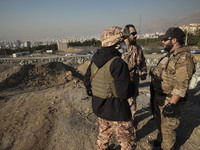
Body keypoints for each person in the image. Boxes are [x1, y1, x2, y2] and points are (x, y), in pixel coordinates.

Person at [84, 26, 136, 150]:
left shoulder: (95, 59)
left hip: (100, 107)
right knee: (128, 143)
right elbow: (123, 93)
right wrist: (132, 86)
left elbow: (87, 81)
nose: (124, 43)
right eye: (122, 40)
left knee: (103, 135)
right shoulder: (118, 63)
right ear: (116, 43)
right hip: (117, 110)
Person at [149, 27, 196, 150]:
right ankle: (160, 142)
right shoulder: (171, 56)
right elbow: (164, 72)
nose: (163, 42)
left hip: (169, 99)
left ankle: (167, 147)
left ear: (174, 40)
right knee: (160, 125)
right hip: (160, 96)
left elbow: (182, 85)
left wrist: (171, 105)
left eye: (165, 39)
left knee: (168, 129)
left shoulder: (184, 58)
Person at [122, 24, 147, 119]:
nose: (136, 35)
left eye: (136, 33)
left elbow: (143, 63)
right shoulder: (120, 48)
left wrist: (144, 71)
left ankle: (131, 124)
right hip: (122, 85)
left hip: (134, 84)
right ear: (126, 34)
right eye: (133, 33)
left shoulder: (138, 48)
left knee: (132, 107)